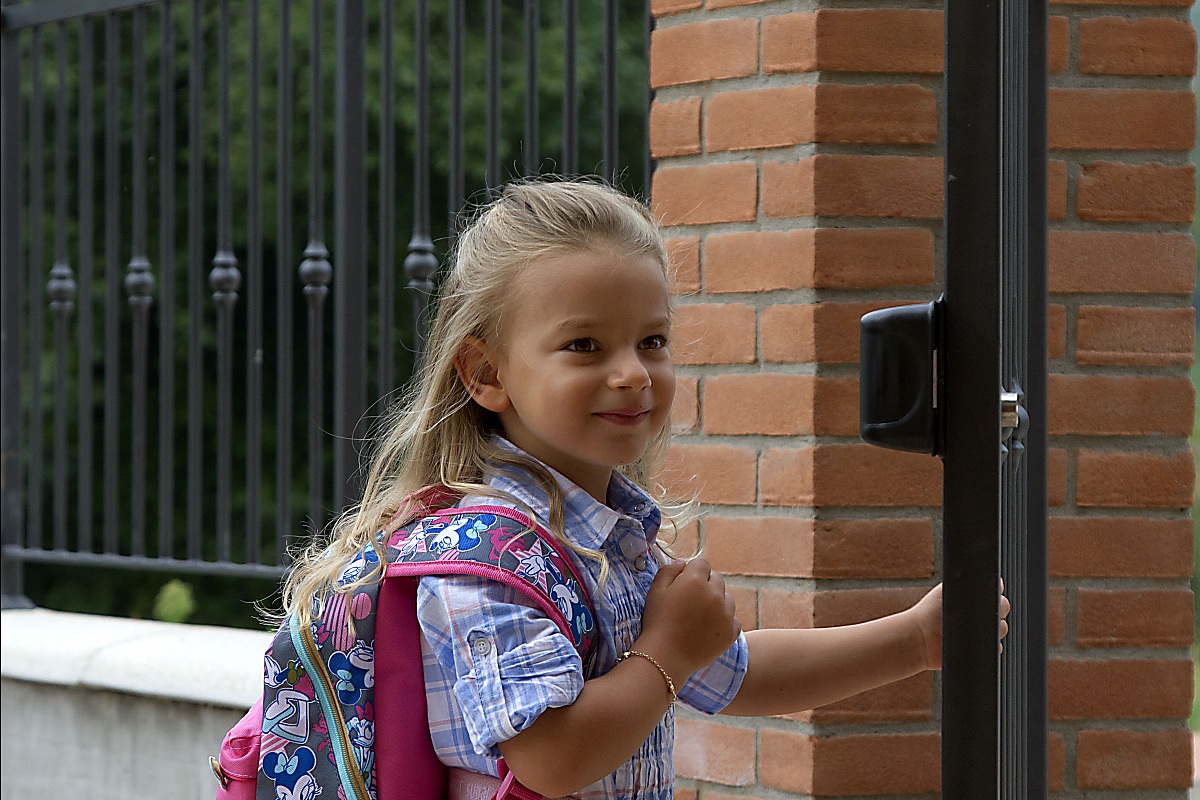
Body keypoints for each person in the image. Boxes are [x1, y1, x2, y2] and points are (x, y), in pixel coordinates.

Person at [279, 178, 1010, 800]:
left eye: (651, 341)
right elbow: (551, 756)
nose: (632, 372)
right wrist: (665, 650)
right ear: (487, 374)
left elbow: (735, 673)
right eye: (585, 346)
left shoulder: (603, 538)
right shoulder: (484, 556)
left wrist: (913, 639)